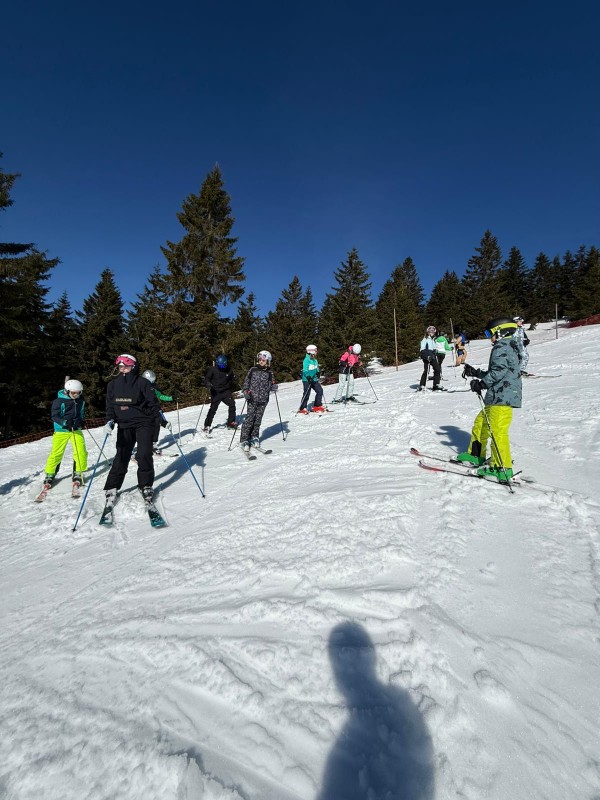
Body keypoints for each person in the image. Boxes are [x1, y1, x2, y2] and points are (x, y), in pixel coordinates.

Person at [457, 317, 522, 482]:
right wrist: (476, 373)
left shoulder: (502, 346)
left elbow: (499, 372)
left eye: (490, 333)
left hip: (502, 396)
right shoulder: (507, 346)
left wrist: (482, 383)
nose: (489, 337)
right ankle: (476, 455)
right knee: (481, 423)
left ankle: (501, 467)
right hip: (496, 395)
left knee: (497, 430)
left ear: (500, 332)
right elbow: (499, 371)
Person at [103, 354, 161, 504]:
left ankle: (146, 485)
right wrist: (109, 421)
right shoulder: (112, 385)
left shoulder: (142, 383)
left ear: (133, 366)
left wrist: (161, 420)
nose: (123, 368)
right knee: (121, 455)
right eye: (121, 366)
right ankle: (112, 487)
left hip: (144, 423)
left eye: (126, 366)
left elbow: (153, 403)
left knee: (144, 454)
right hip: (124, 425)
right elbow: (110, 407)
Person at [42, 379, 88, 491]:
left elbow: (81, 413)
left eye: (78, 393)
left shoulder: (80, 401)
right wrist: (64, 422)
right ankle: (50, 473)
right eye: (73, 393)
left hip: (75, 430)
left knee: (80, 451)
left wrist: (81, 421)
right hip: (61, 430)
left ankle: (78, 471)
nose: (76, 395)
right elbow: (55, 416)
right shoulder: (59, 401)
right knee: (57, 452)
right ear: (67, 391)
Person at [240, 350, 277, 451]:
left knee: (258, 419)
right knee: (250, 418)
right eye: (260, 359)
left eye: (264, 360)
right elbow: (246, 382)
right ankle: (244, 439)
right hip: (252, 398)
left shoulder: (269, 372)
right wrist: (246, 391)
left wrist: (274, 387)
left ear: (268, 361)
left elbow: (272, 383)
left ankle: (254, 437)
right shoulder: (253, 370)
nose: (261, 361)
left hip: (264, 399)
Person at [202, 354, 238, 432]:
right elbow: (207, 378)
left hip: (226, 391)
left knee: (232, 405)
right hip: (216, 392)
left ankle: (231, 422)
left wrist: (234, 378)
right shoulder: (213, 369)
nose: (221, 367)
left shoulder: (229, 369)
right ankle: (207, 425)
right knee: (213, 409)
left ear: (225, 364)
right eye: (219, 366)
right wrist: (207, 383)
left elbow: (231, 377)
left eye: (223, 366)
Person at [142, 369, 174, 454]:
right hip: (145, 410)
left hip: (155, 409)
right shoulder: (140, 386)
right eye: (151, 379)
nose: (152, 381)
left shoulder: (154, 386)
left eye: (153, 379)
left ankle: (153, 444)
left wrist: (171, 398)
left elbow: (160, 396)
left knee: (156, 426)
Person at [298, 344, 325, 414]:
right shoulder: (306, 360)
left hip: (314, 379)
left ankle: (317, 406)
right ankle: (302, 408)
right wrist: (308, 377)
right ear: (311, 351)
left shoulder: (315, 360)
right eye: (315, 351)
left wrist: (318, 372)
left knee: (320, 391)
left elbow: (316, 368)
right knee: (307, 393)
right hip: (307, 380)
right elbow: (305, 370)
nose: (316, 352)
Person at [419, 326, 443, 390]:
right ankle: (422, 385)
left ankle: (436, 384)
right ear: (428, 332)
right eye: (430, 331)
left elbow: (434, 347)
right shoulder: (425, 339)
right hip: (426, 356)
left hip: (432, 356)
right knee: (426, 370)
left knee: (437, 369)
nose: (431, 332)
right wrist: (426, 356)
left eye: (433, 331)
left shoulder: (433, 339)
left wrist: (435, 350)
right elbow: (422, 349)